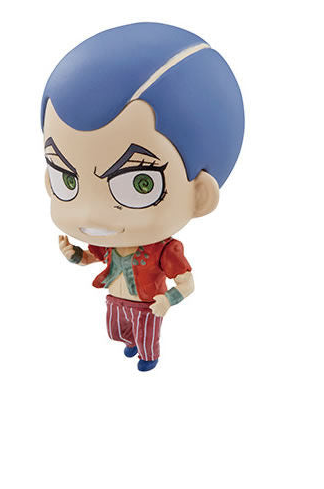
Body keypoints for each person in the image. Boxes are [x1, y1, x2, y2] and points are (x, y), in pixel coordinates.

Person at [41, 22, 244, 371]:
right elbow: (91, 258)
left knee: (146, 335)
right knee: (116, 331)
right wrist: (72, 254)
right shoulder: (109, 244)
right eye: (66, 179)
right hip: (116, 301)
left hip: (148, 305)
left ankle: (148, 356)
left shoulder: (165, 251)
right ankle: (131, 344)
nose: (90, 213)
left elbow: (186, 282)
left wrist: (169, 300)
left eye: (140, 184)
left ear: (199, 195)